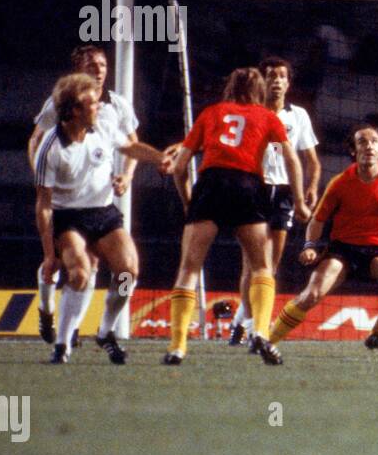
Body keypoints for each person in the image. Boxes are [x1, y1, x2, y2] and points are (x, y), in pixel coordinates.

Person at [162, 68, 309, 366]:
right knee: (262, 268)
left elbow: (179, 167)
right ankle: (261, 334)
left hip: (211, 185)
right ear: (259, 91)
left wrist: (189, 201)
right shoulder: (268, 118)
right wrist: (299, 199)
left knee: (189, 268)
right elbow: (290, 158)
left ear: (230, 87)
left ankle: (177, 347)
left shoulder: (211, 113)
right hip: (247, 187)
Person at [34, 73, 171, 364]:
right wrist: (49, 255)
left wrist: (160, 158)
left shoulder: (103, 128)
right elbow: (43, 205)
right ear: (74, 111)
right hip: (68, 217)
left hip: (103, 212)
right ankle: (62, 344)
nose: (99, 107)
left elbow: (131, 147)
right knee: (80, 274)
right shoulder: (50, 148)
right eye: (93, 104)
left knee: (127, 273)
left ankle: (106, 330)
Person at [268, 124, 378, 353]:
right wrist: (310, 246)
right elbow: (317, 220)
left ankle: (377, 333)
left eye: (374, 141)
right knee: (311, 295)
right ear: (353, 150)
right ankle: (268, 341)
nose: (369, 146)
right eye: (362, 142)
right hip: (341, 253)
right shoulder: (340, 183)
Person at [28, 45, 140, 346]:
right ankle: (47, 307)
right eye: (92, 64)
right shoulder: (62, 103)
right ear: (79, 69)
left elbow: (132, 145)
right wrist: (42, 175)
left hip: (100, 204)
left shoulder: (116, 105)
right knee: (69, 265)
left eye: (103, 64)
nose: (99, 69)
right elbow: (37, 139)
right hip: (66, 206)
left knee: (100, 267)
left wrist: (127, 175)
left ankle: (84, 330)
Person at [228, 57, 321, 347]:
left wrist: (312, 186)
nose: (277, 81)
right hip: (253, 189)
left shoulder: (299, 116)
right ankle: (250, 325)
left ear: (288, 83)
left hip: (283, 193)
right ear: (261, 81)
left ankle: (241, 321)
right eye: (271, 75)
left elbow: (312, 161)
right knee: (251, 263)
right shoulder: (249, 113)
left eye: (282, 76)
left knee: (272, 264)